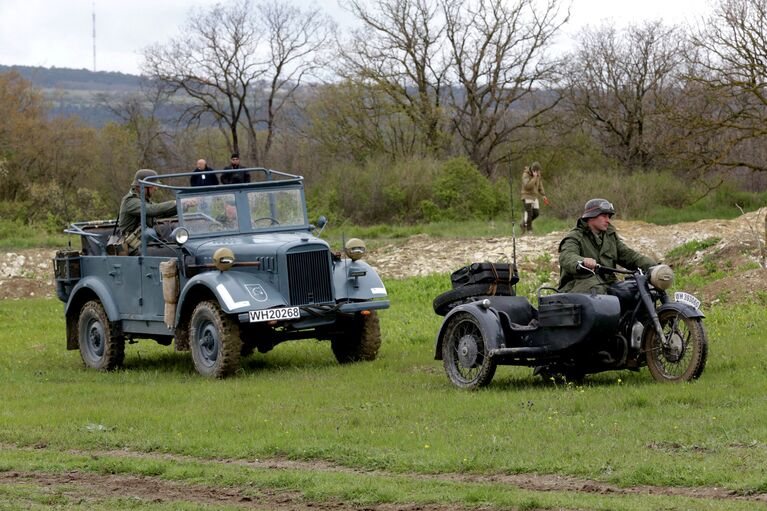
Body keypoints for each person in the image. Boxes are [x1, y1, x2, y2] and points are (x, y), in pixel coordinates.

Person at [557, 198, 657, 294]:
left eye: (609, 217)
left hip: (607, 282)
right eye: (604, 216)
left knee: (634, 290)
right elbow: (566, 256)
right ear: (591, 216)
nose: (608, 220)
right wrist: (582, 261)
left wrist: (654, 266)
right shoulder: (574, 237)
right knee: (599, 291)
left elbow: (628, 255)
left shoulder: (609, 236)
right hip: (576, 285)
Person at [119, 169, 177, 255]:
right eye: (153, 185)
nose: (156, 188)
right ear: (142, 186)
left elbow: (160, 212)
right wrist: (177, 202)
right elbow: (152, 209)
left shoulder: (143, 200)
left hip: (142, 245)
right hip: (132, 248)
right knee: (150, 234)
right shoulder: (130, 201)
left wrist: (181, 206)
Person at [521, 161, 549, 234]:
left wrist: (543, 195)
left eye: (538, 171)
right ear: (533, 170)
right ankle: (529, 230)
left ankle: (523, 224)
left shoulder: (538, 175)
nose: (538, 172)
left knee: (536, 213)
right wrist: (534, 178)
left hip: (534, 196)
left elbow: (540, 185)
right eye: (536, 171)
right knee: (529, 214)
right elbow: (527, 186)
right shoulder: (525, 175)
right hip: (527, 196)